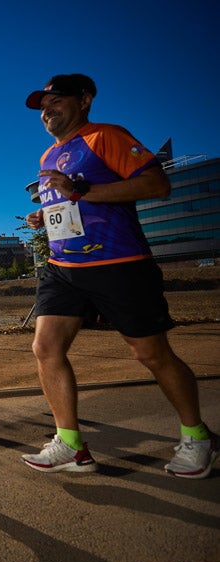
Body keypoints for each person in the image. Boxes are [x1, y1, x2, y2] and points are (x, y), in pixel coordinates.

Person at [21, 74, 217, 478]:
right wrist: (47, 216)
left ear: (85, 100)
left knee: (151, 354)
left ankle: (199, 436)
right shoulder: (46, 158)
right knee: (45, 347)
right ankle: (71, 445)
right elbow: (71, 202)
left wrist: (79, 191)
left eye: (56, 101)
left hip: (118, 264)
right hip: (63, 268)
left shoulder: (105, 137)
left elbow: (156, 184)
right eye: (43, 106)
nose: (47, 110)